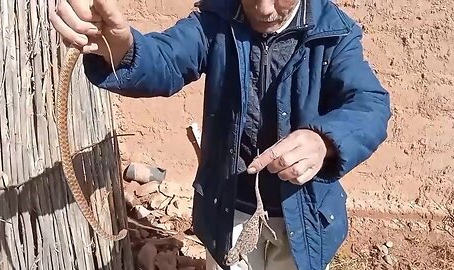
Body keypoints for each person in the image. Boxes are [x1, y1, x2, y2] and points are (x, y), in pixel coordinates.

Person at [50, 0, 391, 269]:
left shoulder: (334, 33)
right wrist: (122, 51)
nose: (265, 8)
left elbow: (369, 105)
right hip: (230, 212)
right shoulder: (215, 21)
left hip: (304, 216)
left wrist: (324, 141)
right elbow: (166, 59)